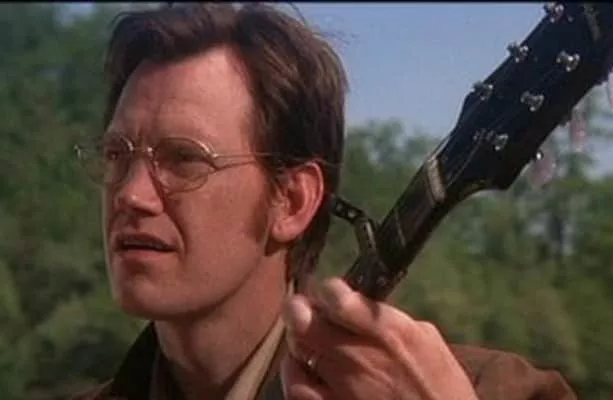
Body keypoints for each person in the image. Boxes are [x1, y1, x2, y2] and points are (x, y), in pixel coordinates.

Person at [72, 3, 577, 399]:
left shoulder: (489, 391)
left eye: (184, 159)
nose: (131, 194)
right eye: (117, 155)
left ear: (292, 201)